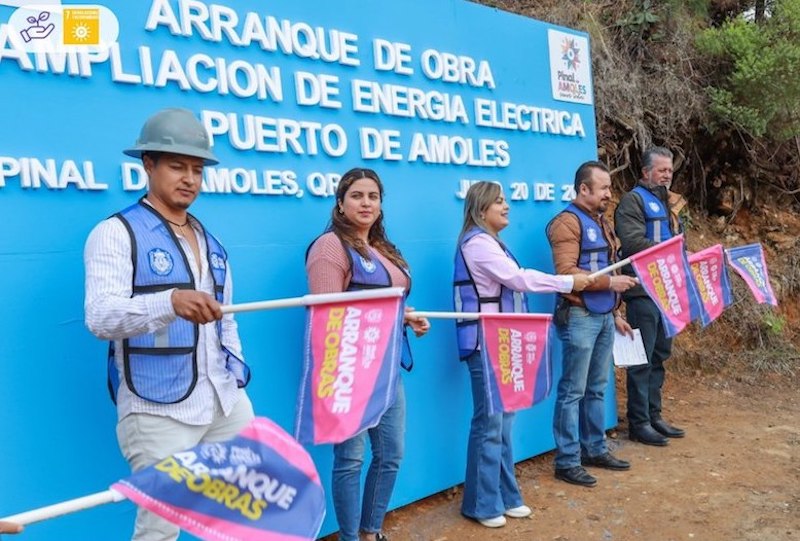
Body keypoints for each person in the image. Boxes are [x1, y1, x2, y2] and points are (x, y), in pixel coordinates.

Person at [84, 108, 254, 541]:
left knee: (248, 510)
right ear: (148, 165)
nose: (189, 178)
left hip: (224, 400)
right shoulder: (116, 232)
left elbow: (226, 319)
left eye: (197, 169)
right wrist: (170, 302)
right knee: (161, 527)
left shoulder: (210, 240)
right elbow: (100, 316)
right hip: (158, 409)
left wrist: (236, 378)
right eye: (177, 166)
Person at [453, 181, 593, 528]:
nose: (507, 206)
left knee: (502, 425)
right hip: (485, 343)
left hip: (501, 343)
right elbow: (517, 280)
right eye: (499, 201)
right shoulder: (478, 243)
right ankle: (481, 504)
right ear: (481, 208)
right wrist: (567, 283)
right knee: (489, 425)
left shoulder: (490, 241)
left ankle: (506, 495)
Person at [305, 168, 430, 541]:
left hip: (388, 367)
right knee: (351, 460)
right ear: (340, 204)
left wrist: (407, 318)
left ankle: (371, 531)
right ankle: (349, 538)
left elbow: (386, 306)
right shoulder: (330, 246)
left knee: (391, 454)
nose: (366, 203)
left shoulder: (382, 248)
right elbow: (327, 316)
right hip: (350, 371)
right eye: (357, 196)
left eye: (373, 196)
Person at [546, 161, 639, 487]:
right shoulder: (566, 223)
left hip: (602, 316)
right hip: (579, 316)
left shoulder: (601, 222)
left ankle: (595, 449)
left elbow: (608, 266)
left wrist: (615, 312)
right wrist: (609, 286)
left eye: (609, 188)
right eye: (603, 188)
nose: (608, 194)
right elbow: (565, 275)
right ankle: (567, 461)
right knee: (573, 391)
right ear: (583, 189)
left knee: (597, 389)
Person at [615, 146, 688, 446]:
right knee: (641, 359)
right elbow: (631, 242)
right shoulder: (632, 201)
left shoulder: (669, 203)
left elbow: (678, 240)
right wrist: (669, 253)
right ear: (646, 172)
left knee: (660, 355)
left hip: (667, 291)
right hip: (643, 291)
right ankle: (639, 422)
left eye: (669, 170)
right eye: (661, 170)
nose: (667, 175)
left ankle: (654, 415)